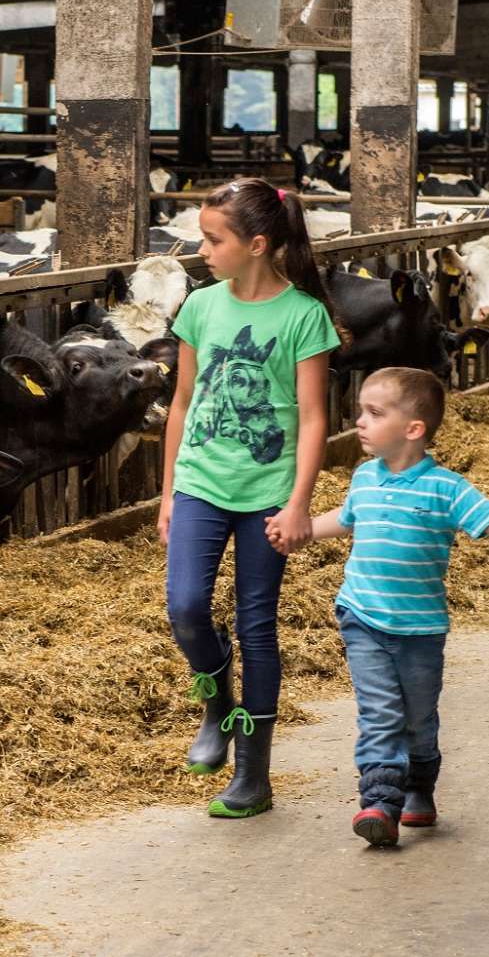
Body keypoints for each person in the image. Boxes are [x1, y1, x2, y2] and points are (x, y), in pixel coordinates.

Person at [275, 367, 489, 846]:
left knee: (419, 718)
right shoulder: (363, 477)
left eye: (374, 413)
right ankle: (379, 803)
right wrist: (299, 529)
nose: (360, 422)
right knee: (380, 713)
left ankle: (419, 788)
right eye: (360, 412)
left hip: (420, 628)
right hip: (362, 617)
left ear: (413, 429)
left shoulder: (446, 488)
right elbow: (345, 520)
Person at [158, 177, 344, 818]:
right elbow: (182, 403)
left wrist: (299, 503)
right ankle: (215, 701)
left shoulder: (303, 316)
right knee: (185, 608)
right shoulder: (201, 307)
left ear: (257, 243)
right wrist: (167, 495)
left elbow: (315, 417)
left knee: (256, 625)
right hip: (201, 485)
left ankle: (252, 774)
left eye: (214, 239)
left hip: (267, 492)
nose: (202, 250)